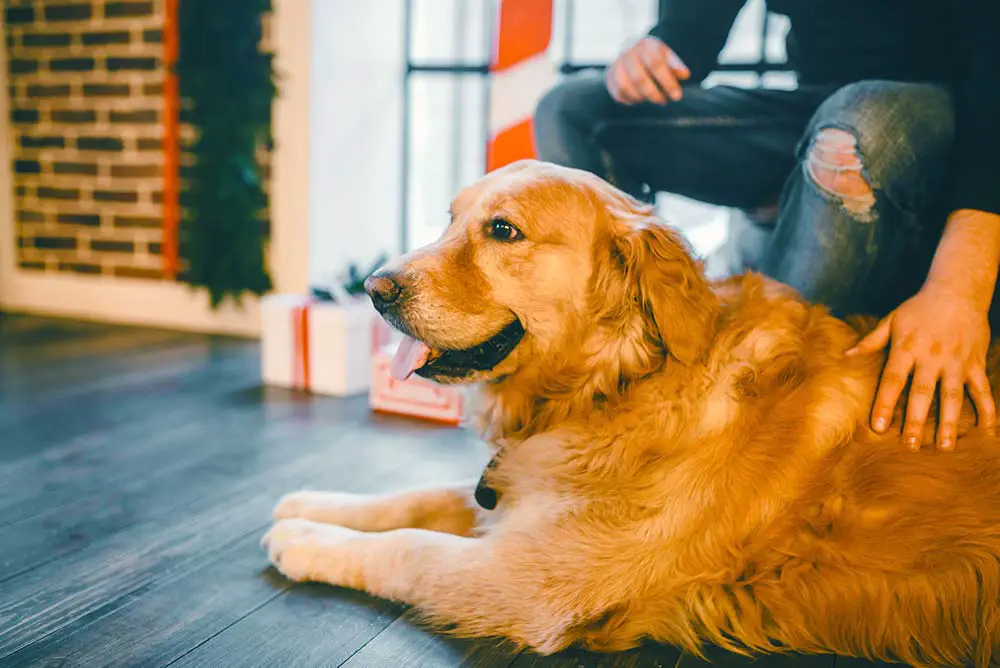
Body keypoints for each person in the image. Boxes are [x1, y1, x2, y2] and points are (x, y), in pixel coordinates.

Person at [532, 0, 1000, 453]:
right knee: (573, 111)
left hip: (956, 122)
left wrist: (959, 288)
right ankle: (604, 381)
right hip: (821, 108)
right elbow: (693, 33)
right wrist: (665, 45)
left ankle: (746, 406)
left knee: (853, 132)